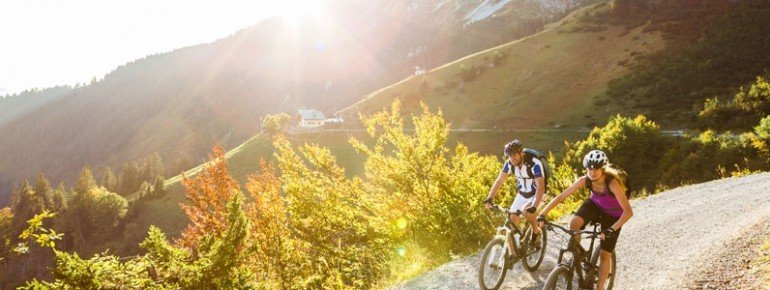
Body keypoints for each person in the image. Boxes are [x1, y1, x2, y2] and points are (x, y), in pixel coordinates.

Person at [537, 149, 633, 289]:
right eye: (589, 169)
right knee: (573, 223)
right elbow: (561, 197)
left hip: (613, 215)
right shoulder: (585, 180)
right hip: (595, 205)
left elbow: (628, 212)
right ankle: (577, 253)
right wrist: (543, 214)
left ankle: (600, 287)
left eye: (596, 169)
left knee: (605, 254)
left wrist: (611, 229)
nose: (592, 172)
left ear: (603, 169)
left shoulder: (612, 183)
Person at [484, 139, 545, 238]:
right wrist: (490, 198)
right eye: (510, 156)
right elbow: (500, 180)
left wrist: (534, 206)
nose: (512, 159)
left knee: (527, 212)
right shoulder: (509, 164)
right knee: (511, 224)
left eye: (514, 155)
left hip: (537, 194)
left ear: (521, 153)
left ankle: (536, 232)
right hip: (522, 194)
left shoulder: (534, 164)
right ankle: (512, 253)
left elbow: (541, 187)